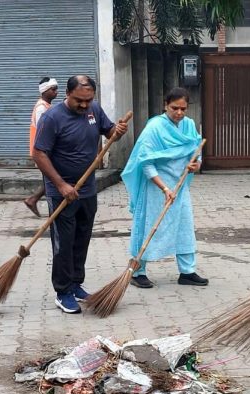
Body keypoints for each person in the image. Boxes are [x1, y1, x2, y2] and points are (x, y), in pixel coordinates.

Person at [32, 75, 127, 314]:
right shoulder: (52, 118)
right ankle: (63, 291)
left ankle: (76, 284)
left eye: (88, 100)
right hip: (61, 192)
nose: (84, 106)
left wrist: (119, 130)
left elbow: (109, 132)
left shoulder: (94, 108)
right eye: (79, 101)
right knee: (63, 243)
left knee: (81, 239)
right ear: (67, 93)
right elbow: (39, 154)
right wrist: (62, 185)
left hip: (87, 190)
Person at [121, 87, 206, 289]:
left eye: (183, 109)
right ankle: (138, 271)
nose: (179, 113)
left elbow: (196, 151)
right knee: (149, 225)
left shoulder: (189, 125)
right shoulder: (154, 128)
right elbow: (145, 162)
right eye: (174, 108)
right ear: (165, 105)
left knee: (184, 225)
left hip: (180, 184)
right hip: (156, 187)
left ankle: (187, 272)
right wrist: (164, 188)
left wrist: (197, 164)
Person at [23, 77, 58, 217]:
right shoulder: (41, 108)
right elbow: (43, 131)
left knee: (51, 178)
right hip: (42, 151)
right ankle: (39, 202)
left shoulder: (47, 106)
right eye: (53, 89)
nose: (56, 92)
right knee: (51, 179)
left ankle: (33, 200)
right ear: (44, 91)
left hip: (45, 150)